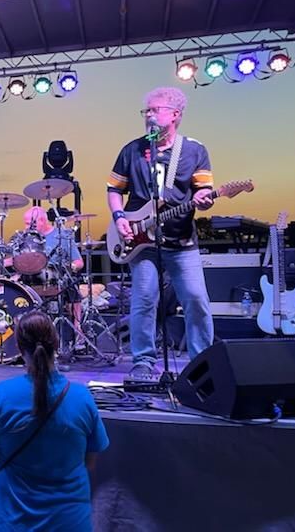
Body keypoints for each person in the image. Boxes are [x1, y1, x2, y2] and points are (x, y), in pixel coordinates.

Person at [107, 86, 215, 379]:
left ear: (175, 115)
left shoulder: (194, 150)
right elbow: (114, 190)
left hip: (181, 241)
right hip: (141, 242)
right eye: (147, 111)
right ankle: (143, 360)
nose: (149, 115)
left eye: (155, 110)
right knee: (143, 300)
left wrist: (204, 197)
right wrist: (119, 218)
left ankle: (202, 363)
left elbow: (202, 189)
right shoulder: (132, 150)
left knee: (195, 299)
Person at [0, 311, 109, 531]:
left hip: (10, 521)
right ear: (56, 345)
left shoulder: (1, 395)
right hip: (69, 523)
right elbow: (89, 461)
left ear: (19, 349)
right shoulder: (81, 397)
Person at [22, 206, 84, 333]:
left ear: (42, 221)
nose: (26, 227)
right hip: (30, 276)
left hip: (56, 276)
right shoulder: (25, 238)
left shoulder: (62, 236)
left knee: (72, 286)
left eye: (29, 224)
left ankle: (78, 331)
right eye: (26, 224)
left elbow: (79, 262)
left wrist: (68, 268)